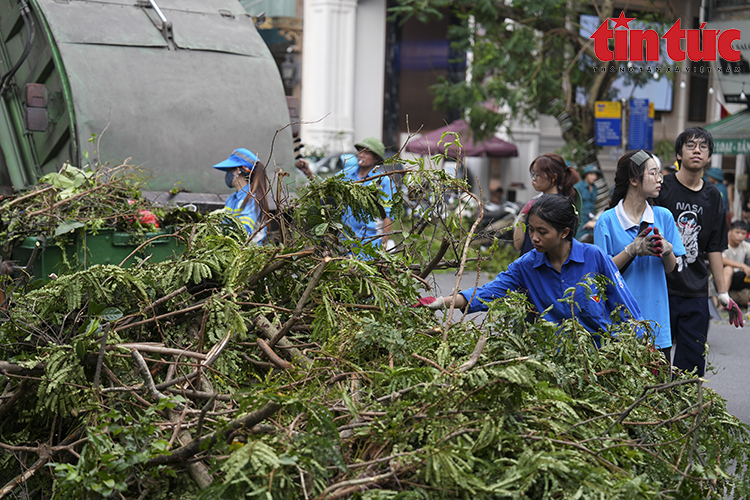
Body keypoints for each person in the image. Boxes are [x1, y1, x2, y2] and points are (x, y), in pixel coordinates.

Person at [418, 194, 644, 347]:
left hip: (599, 359)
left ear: (564, 232)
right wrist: (441, 301)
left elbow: (624, 306)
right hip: (549, 361)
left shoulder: (594, 257)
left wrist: (642, 347)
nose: (534, 238)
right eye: (531, 230)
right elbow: (489, 291)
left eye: (542, 232)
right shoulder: (526, 266)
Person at [654, 127, 743, 377]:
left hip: (695, 290)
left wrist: (723, 294)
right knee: (654, 361)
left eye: (703, 147)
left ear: (709, 157)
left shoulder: (713, 196)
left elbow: (715, 248)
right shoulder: (663, 187)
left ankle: (683, 411)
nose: (697, 150)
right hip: (660, 287)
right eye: (690, 145)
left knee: (691, 366)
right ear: (679, 154)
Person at [593, 150, 686, 359]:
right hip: (619, 325)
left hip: (657, 325)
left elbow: (670, 268)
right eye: (653, 173)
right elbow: (601, 275)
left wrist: (667, 250)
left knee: (657, 389)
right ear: (634, 179)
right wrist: (632, 250)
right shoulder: (606, 221)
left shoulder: (663, 216)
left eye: (659, 173)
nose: (660, 179)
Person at [296, 137, 395, 250]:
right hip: (345, 239)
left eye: (366, 152)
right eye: (360, 151)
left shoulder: (383, 180)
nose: (361, 155)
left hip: (370, 241)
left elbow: (387, 215)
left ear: (376, 158)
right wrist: (308, 172)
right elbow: (325, 188)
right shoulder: (346, 174)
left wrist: (384, 244)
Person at [513, 154, 580, 255]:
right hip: (529, 265)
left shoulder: (563, 207)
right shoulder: (534, 203)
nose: (533, 179)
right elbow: (518, 245)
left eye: (537, 175)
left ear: (553, 177)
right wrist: (522, 216)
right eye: (533, 174)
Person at [212, 148, 268, 243]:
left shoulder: (252, 199)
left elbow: (244, 231)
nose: (227, 174)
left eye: (229, 170)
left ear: (237, 170)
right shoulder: (232, 199)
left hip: (250, 254)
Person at [722, 221, 750, 305]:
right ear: (730, 232)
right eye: (737, 232)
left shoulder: (746, 246)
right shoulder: (723, 244)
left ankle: (731, 299)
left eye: (743, 233)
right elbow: (720, 259)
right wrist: (742, 265)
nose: (740, 236)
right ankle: (723, 300)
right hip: (722, 279)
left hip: (738, 280)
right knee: (729, 269)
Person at [575, 164, 604, 243]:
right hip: (581, 218)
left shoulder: (595, 188)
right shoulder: (578, 187)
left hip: (591, 218)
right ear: (585, 175)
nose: (594, 177)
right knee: (579, 240)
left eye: (595, 174)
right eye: (591, 174)